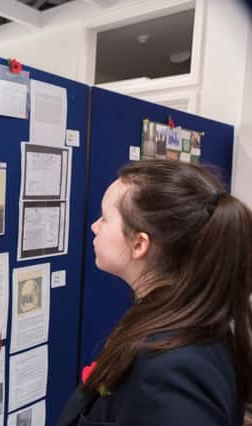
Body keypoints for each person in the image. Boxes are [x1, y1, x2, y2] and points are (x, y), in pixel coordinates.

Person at [58, 160, 252, 425]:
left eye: (105, 218)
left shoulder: (172, 368)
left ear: (139, 243)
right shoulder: (171, 321)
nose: (95, 226)